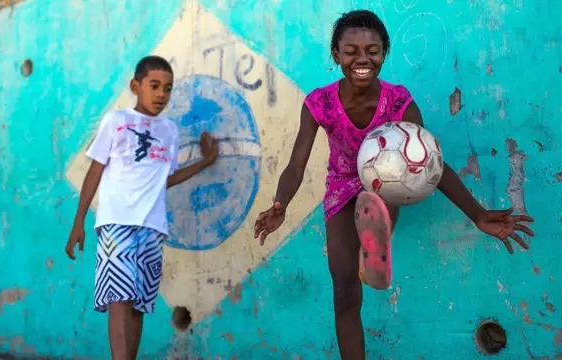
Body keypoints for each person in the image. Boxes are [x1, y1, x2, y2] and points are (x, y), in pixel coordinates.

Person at [253, 10, 535, 359]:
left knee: (400, 177)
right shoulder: (319, 103)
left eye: (372, 50)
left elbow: (431, 164)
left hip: (388, 184)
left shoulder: (399, 101)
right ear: (335, 55)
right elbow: (297, 163)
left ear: (384, 53)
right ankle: (367, 250)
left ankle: (375, 237)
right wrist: (280, 204)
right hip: (341, 188)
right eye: (351, 50)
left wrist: (477, 214)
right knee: (344, 294)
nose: (362, 58)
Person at [65, 55, 219, 360]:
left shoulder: (170, 131)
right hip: (116, 224)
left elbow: (166, 179)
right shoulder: (116, 121)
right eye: (154, 86)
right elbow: (95, 171)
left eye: (168, 88)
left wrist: (206, 162)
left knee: (138, 304)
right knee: (119, 299)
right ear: (136, 86)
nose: (162, 94)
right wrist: (78, 222)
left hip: (152, 228)